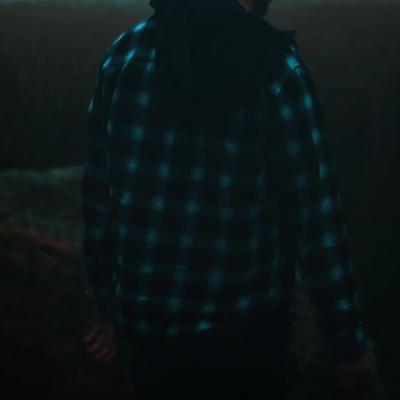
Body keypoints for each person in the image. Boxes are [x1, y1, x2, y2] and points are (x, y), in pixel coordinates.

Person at [80, 0, 375, 398]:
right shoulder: (277, 70)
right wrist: (347, 344)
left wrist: (104, 305)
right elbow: (316, 220)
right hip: (245, 338)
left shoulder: (124, 56)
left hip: (148, 332)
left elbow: (99, 197)